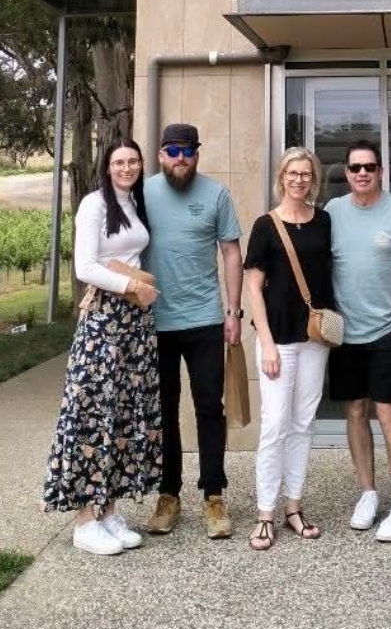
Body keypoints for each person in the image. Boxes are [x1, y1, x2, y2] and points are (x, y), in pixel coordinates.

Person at [43, 139, 162, 555]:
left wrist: (138, 291)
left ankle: (108, 512)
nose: (126, 167)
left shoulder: (134, 202)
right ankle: (83, 521)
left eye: (132, 161)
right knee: (92, 412)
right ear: (107, 167)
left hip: (133, 322)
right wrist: (133, 285)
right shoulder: (95, 204)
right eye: (118, 162)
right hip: (104, 318)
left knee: (124, 416)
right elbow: (85, 266)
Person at [142, 122, 243, 540]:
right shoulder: (141, 192)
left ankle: (214, 496)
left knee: (208, 408)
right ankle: (169, 494)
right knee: (164, 410)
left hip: (204, 319)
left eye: (188, 151)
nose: (180, 158)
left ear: (197, 154)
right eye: (172, 151)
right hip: (154, 322)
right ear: (161, 154)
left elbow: (232, 252)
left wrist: (233, 311)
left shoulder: (216, 194)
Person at [327, 140, 391, 542]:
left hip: (389, 326)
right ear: (347, 173)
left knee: (388, 413)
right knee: (355, 411)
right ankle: (368, 493)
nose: (362, 173)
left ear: (381, 170)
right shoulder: (333, 212)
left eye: (369, 167)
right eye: (355, 168)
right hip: (345, 331)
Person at [244, 146, 334, 550]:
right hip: (278, 338)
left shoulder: (325, 221)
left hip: (315, 338)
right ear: (282, 177)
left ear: (313, 179)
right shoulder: (266, 225)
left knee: (303, 423)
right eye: (292, 173)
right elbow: (253, 288)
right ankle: (265, 513)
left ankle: (294, 507)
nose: (299, 179)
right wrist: (265, 343)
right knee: (275, 424)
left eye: (306, 174)